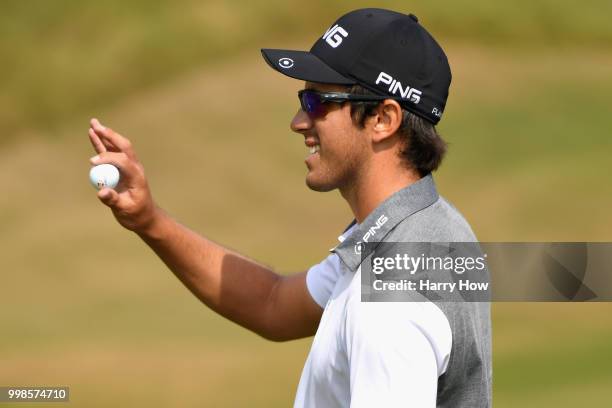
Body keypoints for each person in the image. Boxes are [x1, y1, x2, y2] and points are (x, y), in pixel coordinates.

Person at [88, 8, 491, 407]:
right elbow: (272, 303)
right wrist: (148, 220)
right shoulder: (426, 230)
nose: (298, 121)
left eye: (315, 102)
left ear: (383, 119)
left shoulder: (389, 301)